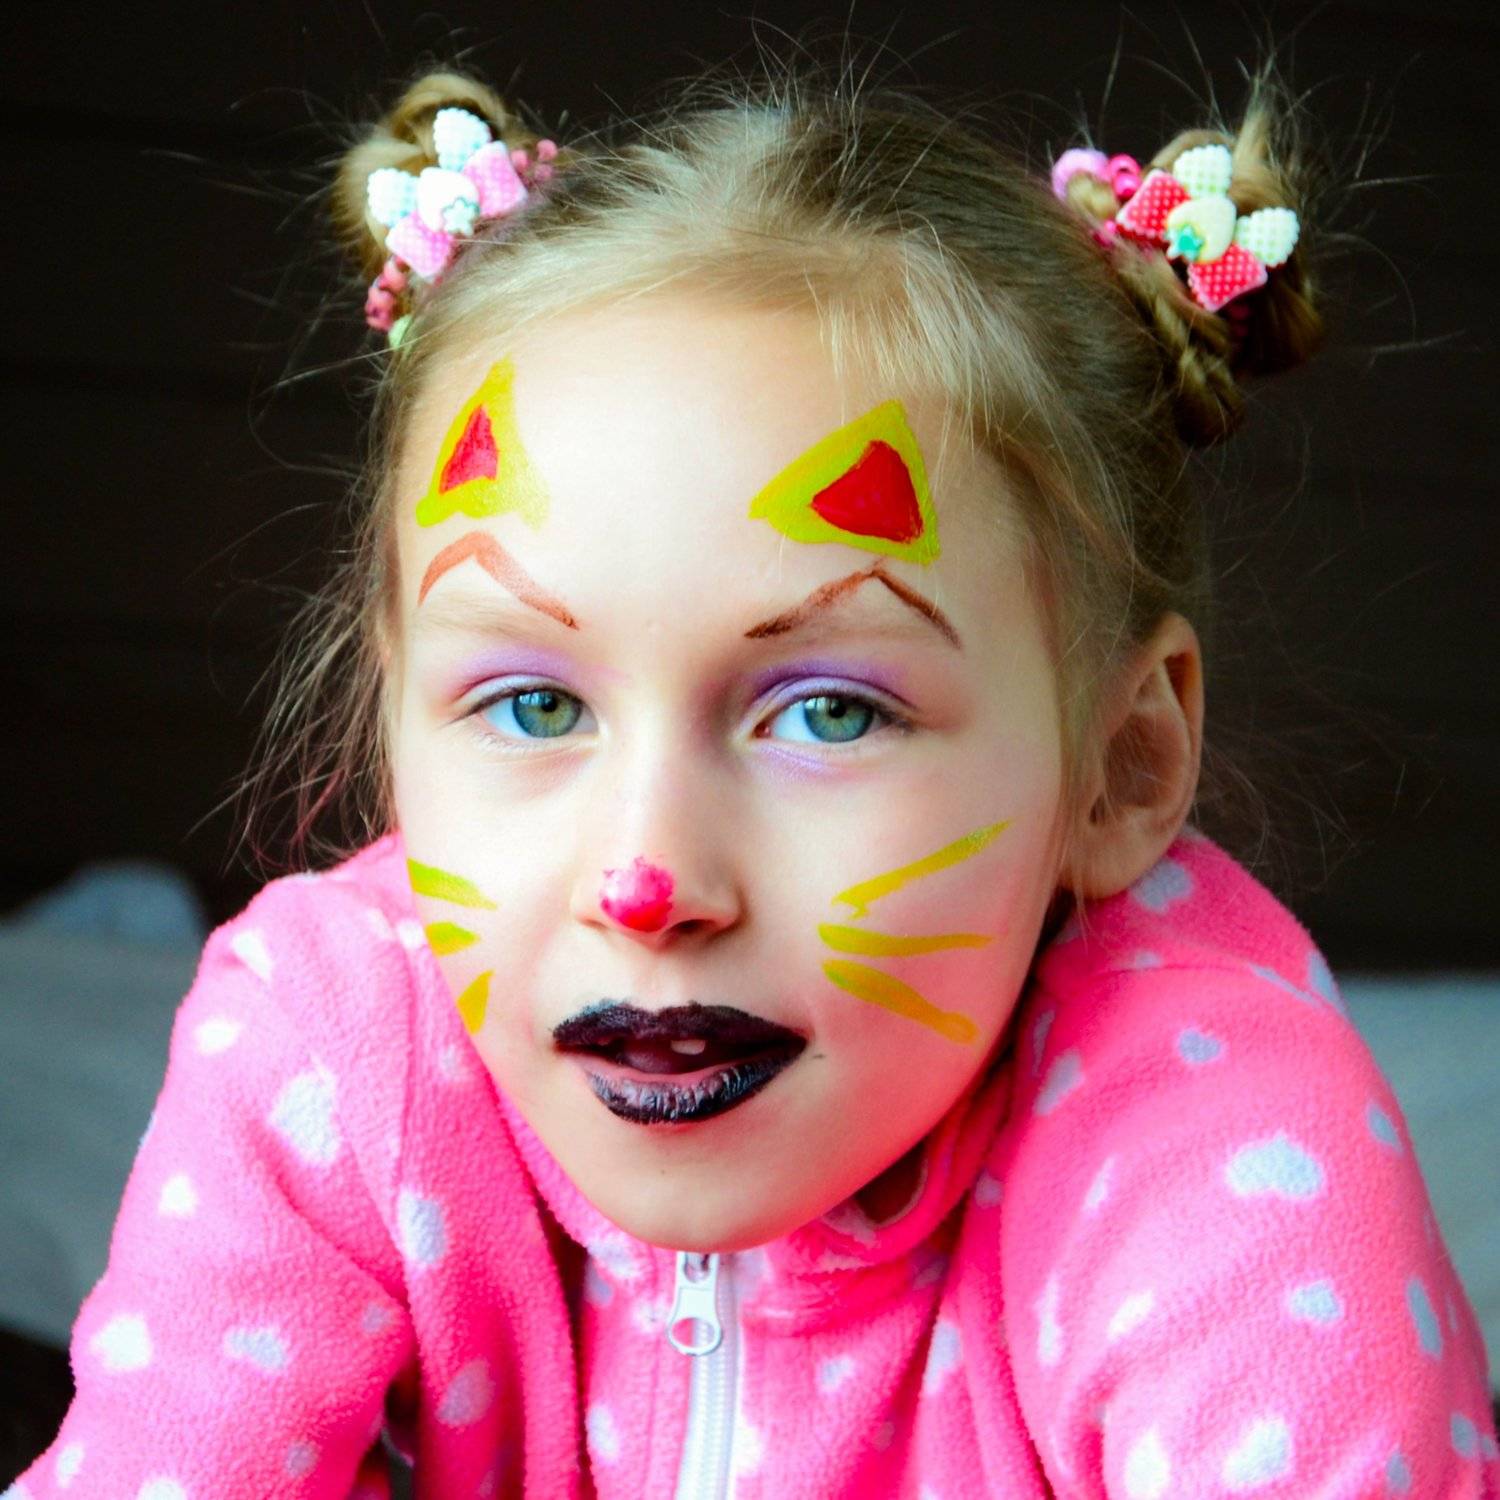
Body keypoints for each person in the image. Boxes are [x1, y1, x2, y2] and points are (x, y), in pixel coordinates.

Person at [11, 55, 1498, 1500]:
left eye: (831, 715)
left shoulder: (1219, 1150)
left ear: (1122, 765)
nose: (647, 881)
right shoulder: (337, 1054)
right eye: (533, 703)